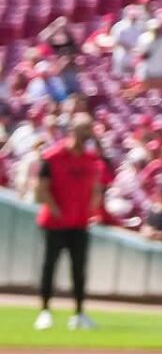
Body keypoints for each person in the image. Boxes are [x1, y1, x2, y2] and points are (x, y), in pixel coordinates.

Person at [34, 115, 104, 331]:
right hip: (55, 224)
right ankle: (45, 311)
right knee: (50, 266)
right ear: (73, 130)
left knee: (79, 269)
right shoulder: (53, 156)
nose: (87, 134)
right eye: (83, 129)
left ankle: (79, 313)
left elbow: (95, 188)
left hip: (80, 223)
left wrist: (92, 207)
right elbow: (40, 190)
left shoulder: (92, 160)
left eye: (89, 130)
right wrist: (55, 209)